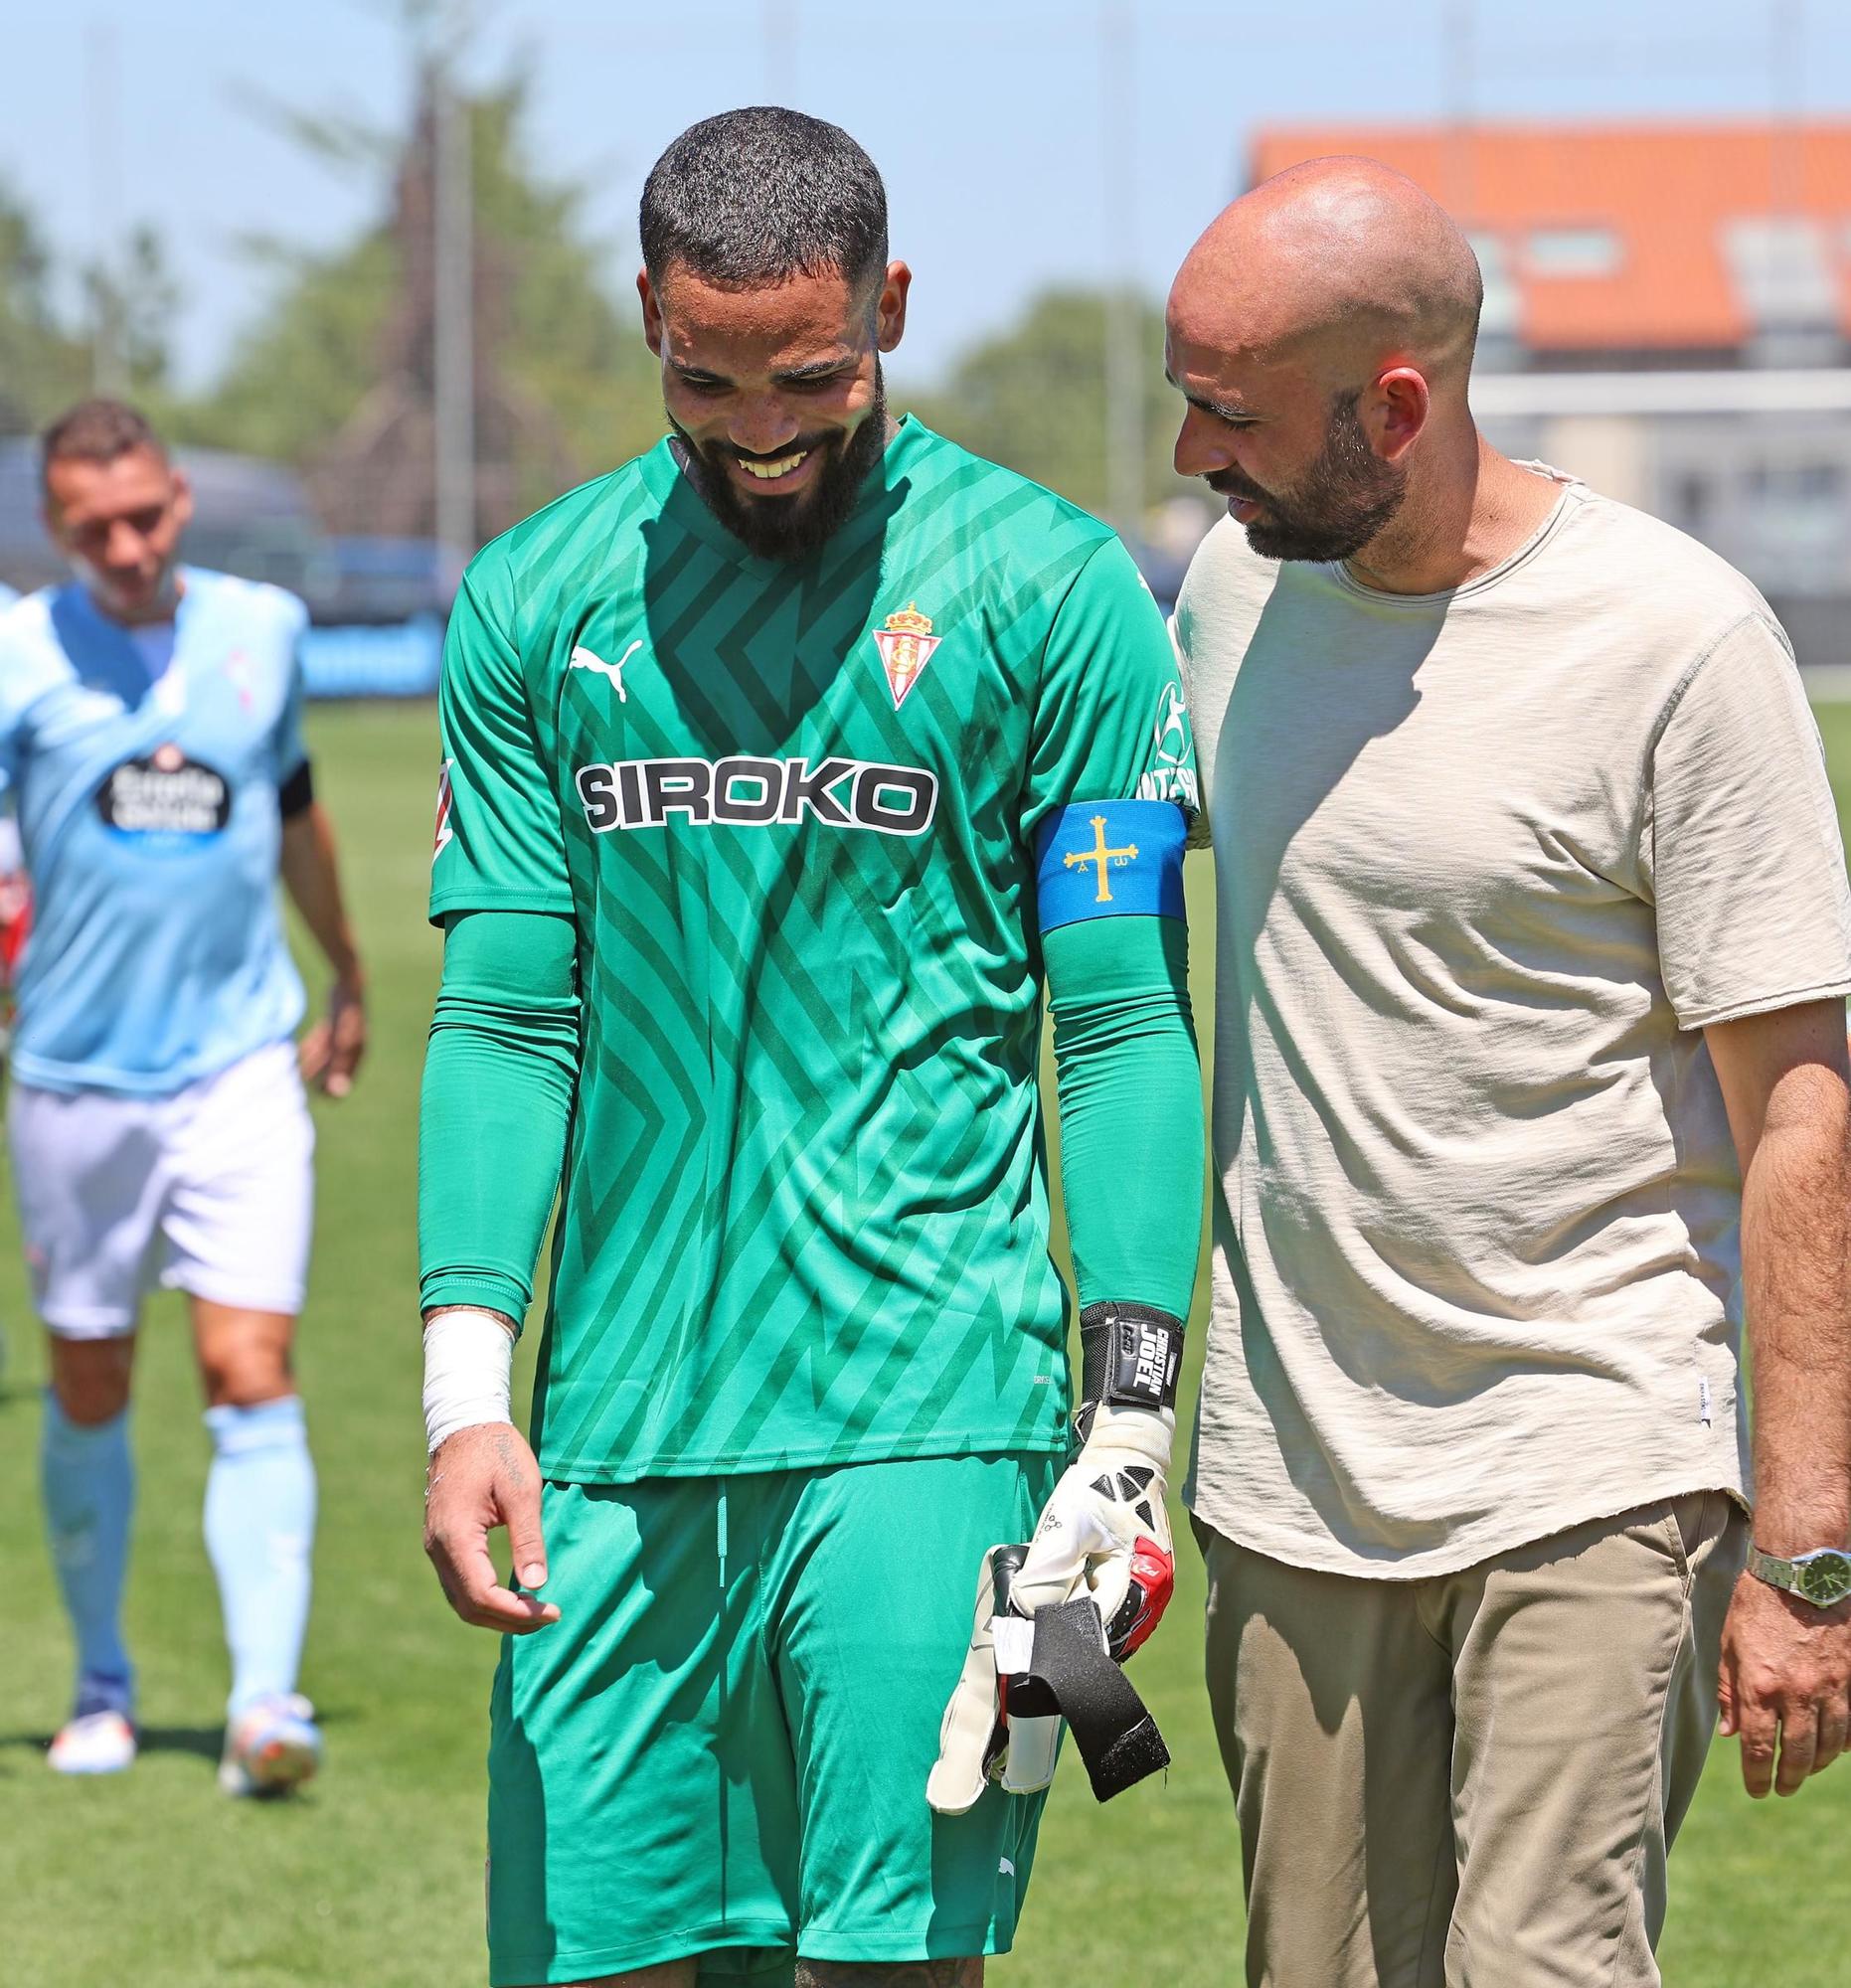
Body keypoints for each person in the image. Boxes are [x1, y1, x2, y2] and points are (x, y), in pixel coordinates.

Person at [418, 106, 1202, 1988]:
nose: (761, 425)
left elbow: (1114, 1026)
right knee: (605, 1961)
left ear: (892, 308)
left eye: (811, 374)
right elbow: (511, 1015)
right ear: (646, 319)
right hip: (613, 1436)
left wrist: (1131, 1422)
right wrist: (466, 1390)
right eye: (708, 378)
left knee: (884, 1969)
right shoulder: (536, 599)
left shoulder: (1050, 588)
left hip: (930, 1409)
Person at [1168, 158, 1851, 1987]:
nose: (1186, 454)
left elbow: (1800, 1106)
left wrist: (1805, 1552)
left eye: (1230, 413)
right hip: (1288, 1469)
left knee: (1540, 1965)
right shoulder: (1225, 610)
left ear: (1394, 407)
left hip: (1593, 1445)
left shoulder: (1677, 643)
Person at [0, 400, 367, 1793]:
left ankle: (265, 1706)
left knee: (248, 1370)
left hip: (238, 1071)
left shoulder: (264, 628)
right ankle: (100, 1684)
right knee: (90, 1381)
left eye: (145, 514)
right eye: (94, 527)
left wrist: (345, 969)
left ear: (178, 499)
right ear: (57, 528)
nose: (127, 545)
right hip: (74, 1087)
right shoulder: (18, 654)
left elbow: (290, 809)